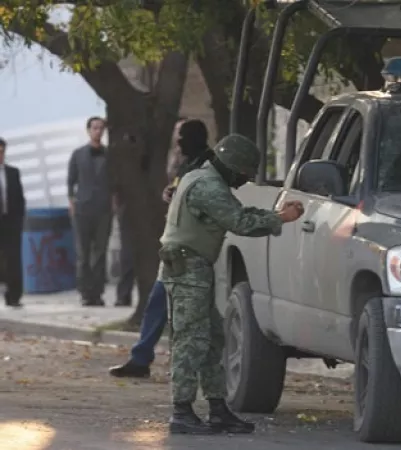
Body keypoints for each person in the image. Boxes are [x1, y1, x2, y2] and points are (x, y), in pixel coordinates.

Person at [159, 133, 304, 435]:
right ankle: (181, 412)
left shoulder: (201, 177)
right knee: (190, 341)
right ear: (232, 167)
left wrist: (276, 214)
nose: (244, 180)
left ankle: (217, 409)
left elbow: (239, 213)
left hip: (194, 269)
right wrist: (282, 219)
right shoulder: (208, 186)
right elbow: (240, 223)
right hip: (188, 270)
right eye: (243, 174)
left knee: (212, 339)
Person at [109, 118, 213, 378]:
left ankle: (202, 369)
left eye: (181, 137)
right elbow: (179, 191)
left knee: (199, 313)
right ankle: (141, 358)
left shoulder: (208, 166)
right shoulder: (187, 164)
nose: (177, 143)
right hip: (175, 247)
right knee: (158, 301)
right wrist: (170, 192)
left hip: (195, 248)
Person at [67, 117, 114, 307]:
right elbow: (71, 181)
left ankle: (98, 292)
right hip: (83, 208)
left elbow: (115, 180)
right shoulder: (78, 154)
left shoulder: (110, 155)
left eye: (101, 128)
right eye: (95, 128)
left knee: (100, 253)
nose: (98, 131)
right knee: (83, 254)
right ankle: (85, 292)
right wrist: (72, 202)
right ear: (88, 130)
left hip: (103, 208)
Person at [0, 137, 26, 308]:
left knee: (14, 258)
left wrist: (20, 218)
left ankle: (14, 296)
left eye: (2, 152)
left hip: (11, 221)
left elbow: (19, 197)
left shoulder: (12, 172)